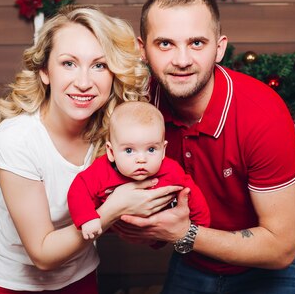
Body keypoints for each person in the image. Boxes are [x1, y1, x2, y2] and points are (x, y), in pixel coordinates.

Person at [0, 6, 183, 294]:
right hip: (9, 288)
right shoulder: (17, 137)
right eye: (69, 63)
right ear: (45, 71)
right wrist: (114, 207)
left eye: (99, 65)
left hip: (78, 279)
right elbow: (42, 254)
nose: (84, 82)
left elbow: (147, 202)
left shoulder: (116, 135)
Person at [120, 0, 295, 294]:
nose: (182, 60)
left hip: (266, 268)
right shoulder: (138, 109)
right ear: (142, 49)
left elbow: (281, 248)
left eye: (197, 43)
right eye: (165, 44)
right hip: (194, 260)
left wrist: (182, 233)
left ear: (219, 48)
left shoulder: (261, 114)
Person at [67, 101, 210, 241]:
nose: (141, 159)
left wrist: (199, 227)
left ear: (163, 150)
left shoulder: (171, 171)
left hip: (159, 235)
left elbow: (193, 195)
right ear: (111, 152)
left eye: (151, 149)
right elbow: (78, 191)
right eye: (129, 150)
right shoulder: (101, 170)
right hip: (112, 234)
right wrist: (87, 219)